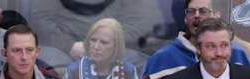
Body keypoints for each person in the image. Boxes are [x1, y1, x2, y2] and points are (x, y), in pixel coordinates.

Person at [30, 0, 160, 60]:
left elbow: (140, 25)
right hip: (65, 50)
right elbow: (40, 20)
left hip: (116, 50)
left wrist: (103, 43)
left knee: (137, 61)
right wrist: (69, 46)